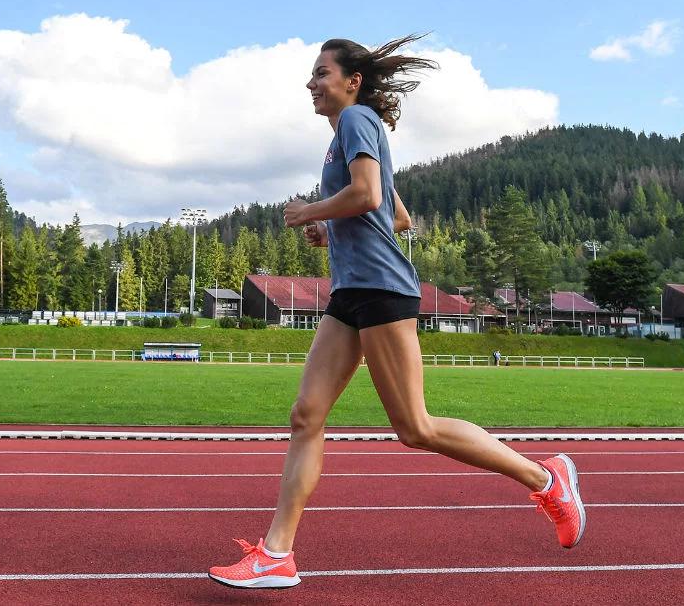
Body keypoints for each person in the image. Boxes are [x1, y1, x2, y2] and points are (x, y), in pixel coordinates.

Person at [207, 36, 585, 590]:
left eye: (320, 73)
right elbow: (398, 216)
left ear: (351, 81)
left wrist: (312, 210)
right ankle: (276, 555)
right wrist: (328, 228)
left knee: (415, 427)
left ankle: (545, 478)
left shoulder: (358, 120)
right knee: (306, 415)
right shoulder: (345, 136)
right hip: (350, 293)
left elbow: (368, 197)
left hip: (382, 290)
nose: (311, 84)